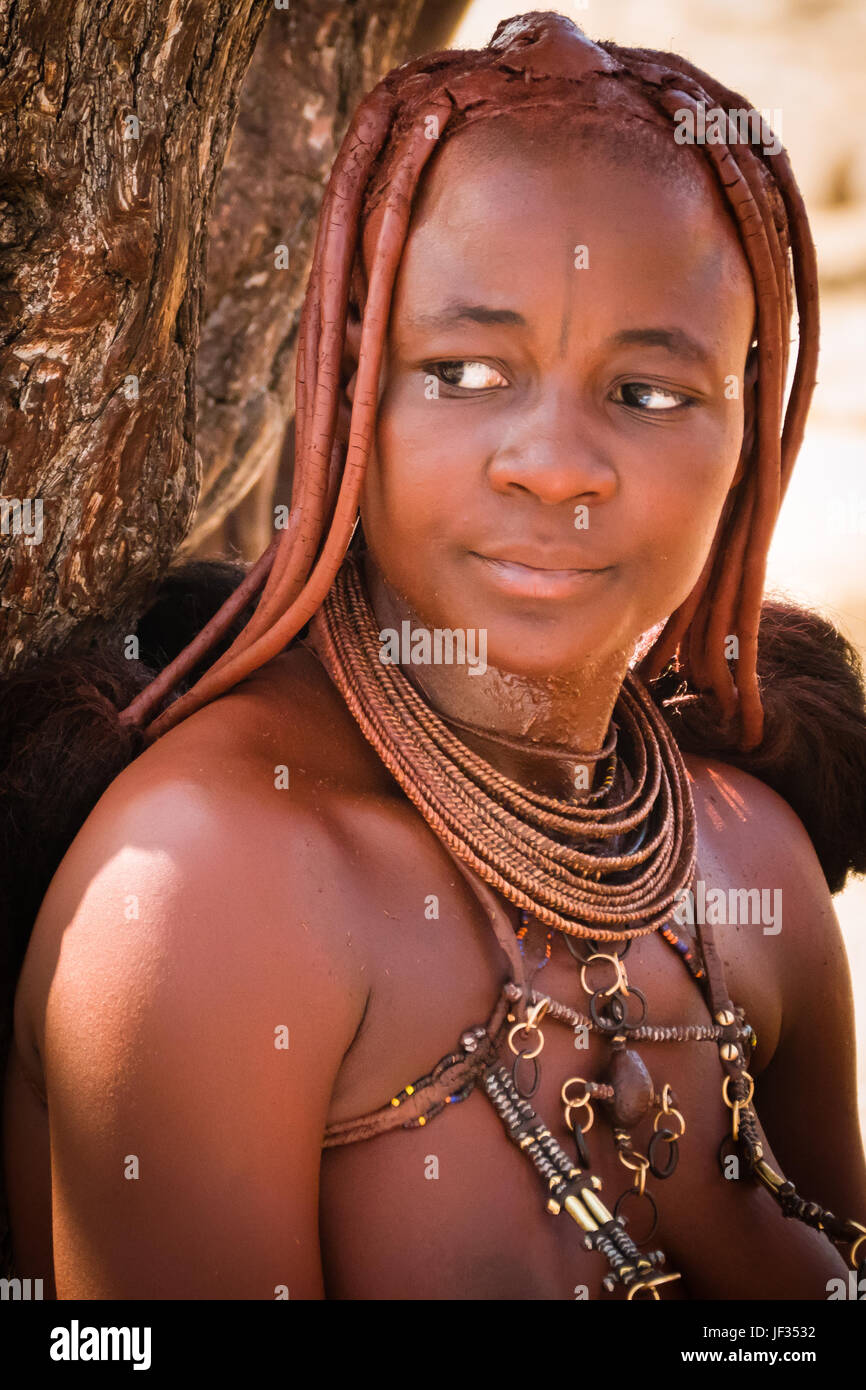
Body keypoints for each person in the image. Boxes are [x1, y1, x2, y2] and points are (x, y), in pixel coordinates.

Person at [3, 12, 866, 1300]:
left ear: (750, 429)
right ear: (346, 389)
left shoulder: (751, 866)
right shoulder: (209, 885)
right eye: (463, 371)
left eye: (648, 393)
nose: (558, 466)